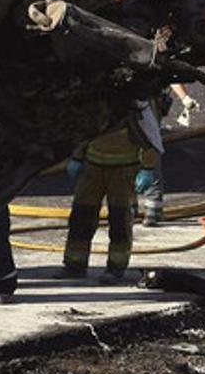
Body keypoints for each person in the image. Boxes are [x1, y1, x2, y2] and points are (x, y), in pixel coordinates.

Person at [59, 103, 162, 283]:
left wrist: (148, 167)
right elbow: (84, 131)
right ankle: (74, 264)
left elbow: (151, 136)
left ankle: (116, 267)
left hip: (124, 170)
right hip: (92, 167)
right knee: (81, 216)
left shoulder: (138, 104)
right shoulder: (97, 100)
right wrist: (77, 156)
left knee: (120, 220)